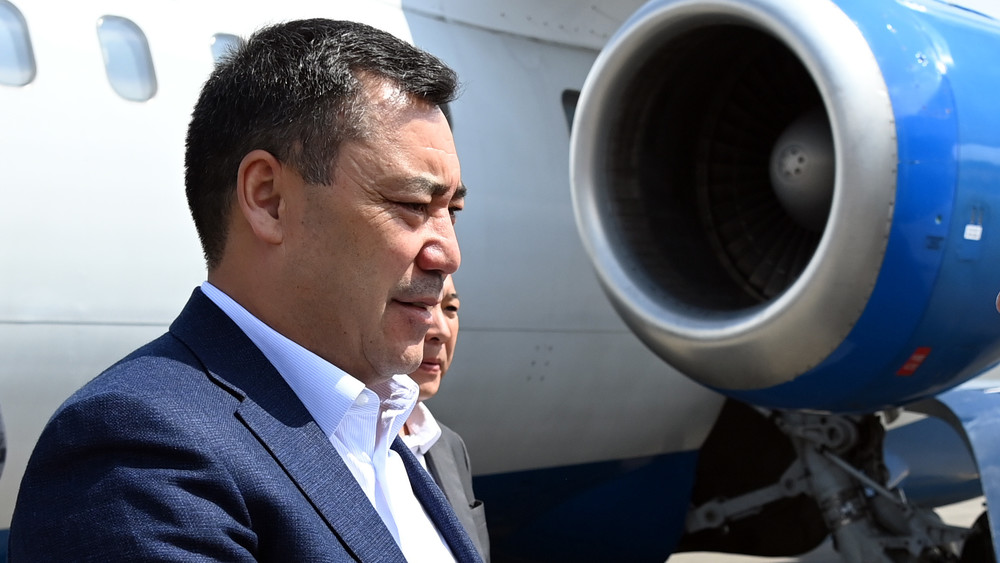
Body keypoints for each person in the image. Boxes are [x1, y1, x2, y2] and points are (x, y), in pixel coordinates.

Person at [9, 19, 481, 562]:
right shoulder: (140, 452)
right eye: (412, 206)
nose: (448, 254)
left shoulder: (390, 434)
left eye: (452, 211)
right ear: (268, 199)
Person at [400, 275, 490, 561]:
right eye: (420, 304)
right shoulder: (337, 439)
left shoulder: (448, 445)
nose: (441, 331)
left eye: (450, 308)